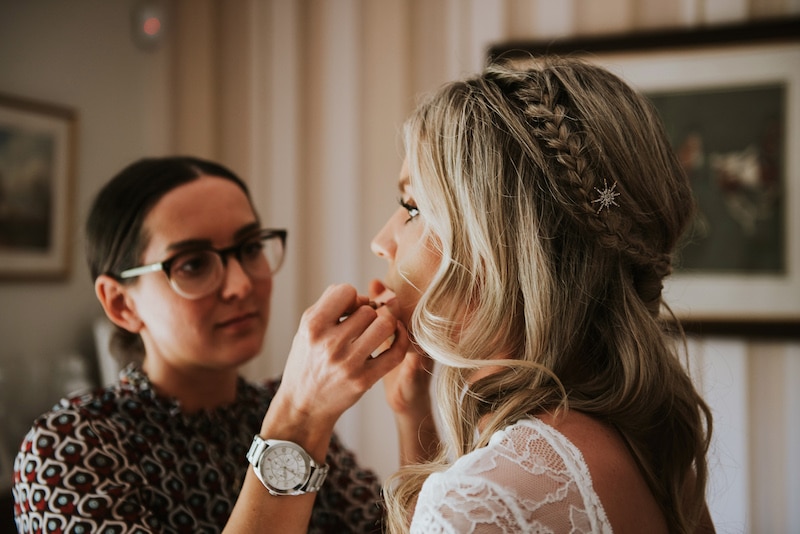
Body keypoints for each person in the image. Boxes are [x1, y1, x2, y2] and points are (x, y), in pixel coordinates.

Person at [369, 57, 715, 533]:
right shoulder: (657, 444)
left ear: (494, 246)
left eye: (411, 207)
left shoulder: (481, 500)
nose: (381, 242)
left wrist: (297, 418)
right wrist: (413, 416)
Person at [12, 156, 419, 533]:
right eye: (193, 264)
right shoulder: (71, 447)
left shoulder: (267, 408)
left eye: (250, 248)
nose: (241, 285)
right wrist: (298, 417)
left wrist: (411, 414)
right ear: (121, 304)